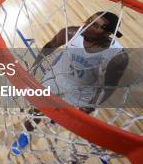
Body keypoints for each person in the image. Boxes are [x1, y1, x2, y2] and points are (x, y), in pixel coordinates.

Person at [11, 12, 128, 155]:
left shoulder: (117, 56)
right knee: (37, 110)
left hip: (81, 92)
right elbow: (50, 45)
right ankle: (25, 134)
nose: (88, 25)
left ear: (108, 33)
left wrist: (92, 105)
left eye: (96, 26)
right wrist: (34, 68)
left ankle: (56, 118)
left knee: (68, 119)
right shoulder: (72, 33)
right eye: (90, 20)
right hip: (56, 79)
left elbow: (110, 86)